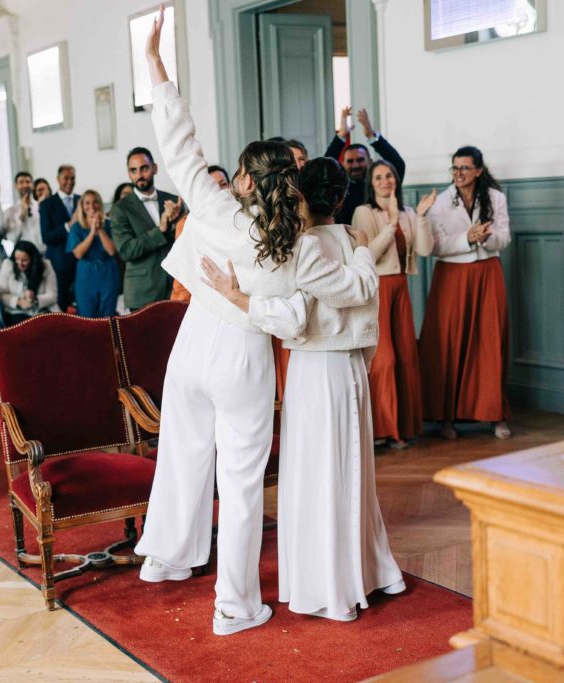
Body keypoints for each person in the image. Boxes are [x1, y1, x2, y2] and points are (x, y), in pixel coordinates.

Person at [134, 8, 379, 637]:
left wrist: (157, 63)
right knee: (240, 484)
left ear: (244, 178)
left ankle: (164, 557)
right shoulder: (293, 245)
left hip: (189, 348)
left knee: (181, 453)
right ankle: (234, 606)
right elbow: (297, 316)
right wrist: (252, 300)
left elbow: (178, 141)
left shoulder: (212, 207)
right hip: (243, 355)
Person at [202, 156, 402, 622]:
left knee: (321, 474)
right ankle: (359, 572)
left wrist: (238, 298)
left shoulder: (304, 248)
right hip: (346, 366)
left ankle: (333, 584)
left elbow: (347, 295)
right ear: (340, 198)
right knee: (346, 470)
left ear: (297, 195)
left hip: (320, 370)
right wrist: (364, 248)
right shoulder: (345, 242)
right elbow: (362, 288)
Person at [420, 146, 512, 440]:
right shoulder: (441, 201)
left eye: (464, 168)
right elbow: (435, 246)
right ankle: (447, 417)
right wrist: (466, 238)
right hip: (452, 275)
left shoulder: (496, 198)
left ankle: (494, 414)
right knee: (449, 342)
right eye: (455, 168)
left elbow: (504, 237)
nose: (458, 174)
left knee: (490, 341)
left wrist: (485, 238)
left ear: (479, 171)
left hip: (487, 273)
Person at [352, 161, 436, 448]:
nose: (385, 181)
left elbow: (425, 249)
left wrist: (421, 217)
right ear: (371, 183)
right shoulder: (364, 212)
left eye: (389, 175)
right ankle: (377, 430)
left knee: (404, 358)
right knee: (383, 360)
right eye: (378, 177)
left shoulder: (409, 213)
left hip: (401, 288)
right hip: (378, 289)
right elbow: (368, 255)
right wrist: (389, 225)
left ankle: (401, 429)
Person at [110, 147, 182, 310]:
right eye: (133, 170)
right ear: (129, 174)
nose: (139, 175)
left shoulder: (173, 200)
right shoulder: (120, 209)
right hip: (143, 291)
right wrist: (161, 229)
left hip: (176, 287)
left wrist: (176, 222)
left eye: (144, 168)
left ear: (155, 168)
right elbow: (126, 250)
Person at [325, 106, 406, 224]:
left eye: (360, 160)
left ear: (370, 161)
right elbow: (324, 169)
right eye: (350, 161)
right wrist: (341, 137)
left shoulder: (378, 185)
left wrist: (372, 137)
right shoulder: (338, 187)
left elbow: (398, 164)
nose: (356, 165)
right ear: (342, 164)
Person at [170, 165, 230, 304]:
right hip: (202, 297)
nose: (220, 191)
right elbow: (184, 270)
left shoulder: (241, 217)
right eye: (213, 187)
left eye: (223, 184)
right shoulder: (187, 223)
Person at [67, 190, 119, 318]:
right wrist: (92, 232)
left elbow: (112, 251)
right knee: (87, 315)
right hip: (86, 275)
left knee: (108, 315)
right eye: (87, 203)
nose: (91, 206)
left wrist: (99, 228)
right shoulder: (77, 227)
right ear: (82, 206)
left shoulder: (109, 224)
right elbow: (78, 254)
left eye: (95, 202)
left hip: (108, 272)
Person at [39, 165, 79, 312]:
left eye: (72, 178)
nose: (70, 182)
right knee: (61, 304)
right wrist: (68, 226)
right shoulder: (47, 204)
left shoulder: (81, 201)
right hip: (59, 263)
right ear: (58, 179)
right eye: (66, 178)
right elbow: (46, 236)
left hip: (81, 262)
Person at [0, 240, 58, 324]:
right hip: (15, 312)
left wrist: (35, 300)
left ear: (33, 260)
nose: (20, 263)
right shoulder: (8, 264)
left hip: (41, 312)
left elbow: (53, 296)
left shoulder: (45, 266)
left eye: (25, 260)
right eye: (17, 259)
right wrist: (18, 302)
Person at [5, 172, 44, 251]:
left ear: (32, 185)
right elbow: (12, 238)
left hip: (42, 252)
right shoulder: (10, 211)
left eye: (28, 182)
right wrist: (21, 217)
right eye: (21, 182)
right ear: (16, 186)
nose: (25, 185)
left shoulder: (41, 206)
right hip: (23, 256)